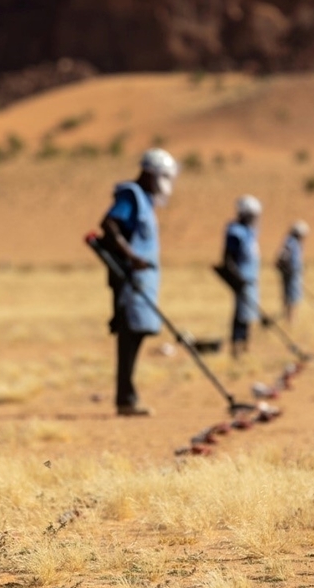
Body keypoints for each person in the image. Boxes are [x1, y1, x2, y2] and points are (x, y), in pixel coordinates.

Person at [99, 148, 179, 416]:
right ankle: (125, 399)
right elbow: (109, 225)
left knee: (137, 334)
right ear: (150, 173)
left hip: (142, 280)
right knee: (129, 336)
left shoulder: (144, 199)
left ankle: (127, 397)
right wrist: (132, 257)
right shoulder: (131, 196)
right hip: (131, 282)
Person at [220, 195, 262, 358]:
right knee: (241, 315)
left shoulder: (250, 231)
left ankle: (246, 346)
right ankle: (236, 348)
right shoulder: (235, 232)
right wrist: (237, 279)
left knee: (249, 315)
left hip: (251, 279)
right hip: (242, 280)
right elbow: (227, 258)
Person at [276, 219, 309, 324]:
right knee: (292, 297)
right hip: (291, 275)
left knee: (292, 296)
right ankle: (290, 319)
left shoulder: (295, 243)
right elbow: (282, 258)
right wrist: (289, 271)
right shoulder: (291, 243)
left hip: (294, 274)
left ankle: (290, 318)